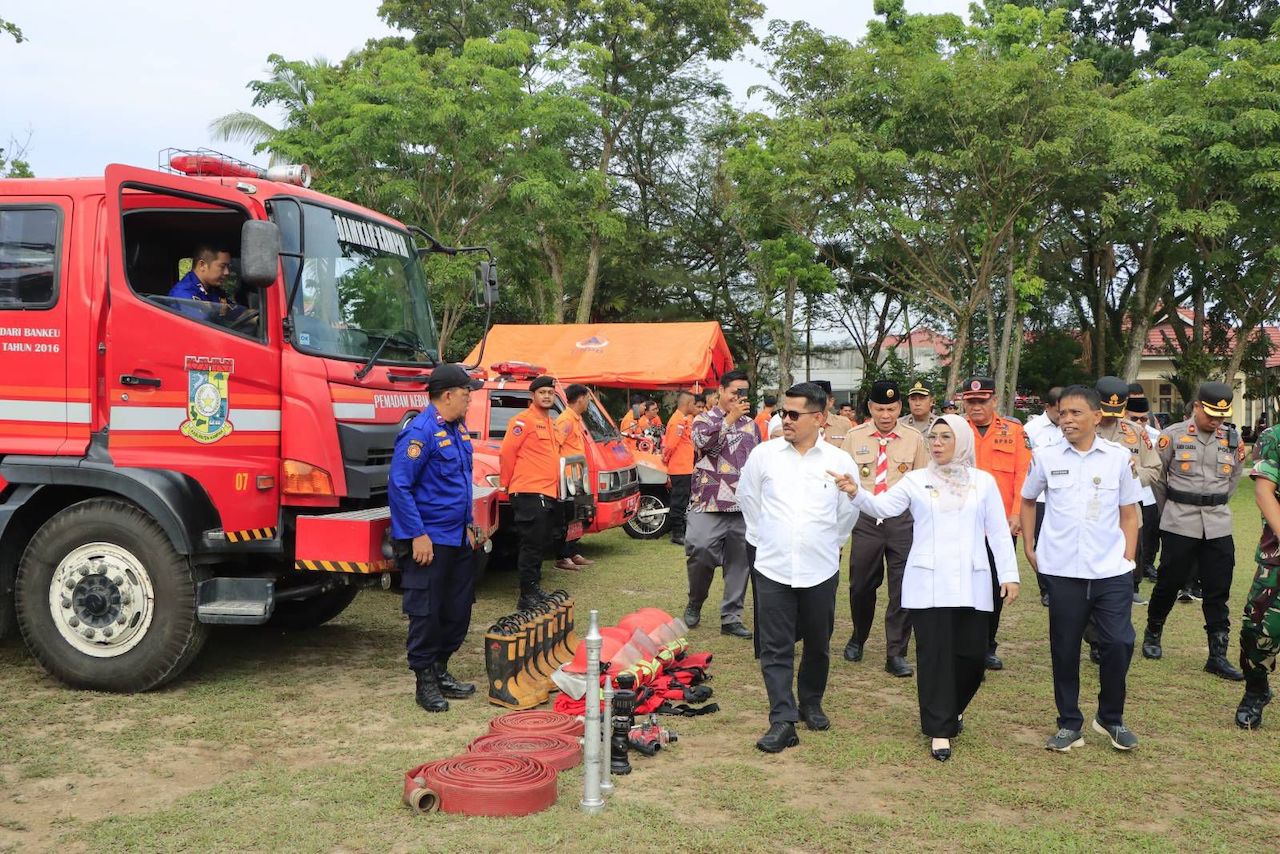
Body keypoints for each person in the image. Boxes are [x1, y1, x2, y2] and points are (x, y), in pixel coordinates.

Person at [834, 414, 1019, 761]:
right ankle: (939, 729)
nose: (936, 443)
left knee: (972, 658)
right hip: (929, 582)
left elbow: (996, 531)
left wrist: (1009, 574)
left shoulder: (984, 483)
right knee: (934, 657)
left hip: (973, 581)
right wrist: (856, 492)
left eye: (945, 437)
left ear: (962, 442)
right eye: (933, 437)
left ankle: (954, 710)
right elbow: (883, 506)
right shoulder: (916, 481)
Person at [1019, 385, 1142, 752]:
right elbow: (1027, 500)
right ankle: (1069, 723)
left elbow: (1129, 513)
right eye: (1063, 413)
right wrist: (1029, 546)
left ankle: (1110, 717)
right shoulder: (1044, 455)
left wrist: (1128, 559)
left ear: (1096, 416)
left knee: (1120, 642)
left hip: (1109, 570)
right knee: (1065, 647)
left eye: (1075, 413)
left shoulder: (1118, 458)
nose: (1066, 419)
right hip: (1062, 570)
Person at [739, 382, 858, 753]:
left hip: (820, 567)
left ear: (819, 418)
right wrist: (766, 541)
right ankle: (782, 718)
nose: (784, 420)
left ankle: (811, 701)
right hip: (772, 566)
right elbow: (749, 500)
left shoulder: (838, 462)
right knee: (775, 646)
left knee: (819, 642)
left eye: (793, 414)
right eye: (781, 412)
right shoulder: (764, 455)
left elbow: (848, 512)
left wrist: (829, 544)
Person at [388, 363, 485, 713]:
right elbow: (400, 486)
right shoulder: (421, 433)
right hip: (429, 541)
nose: (469, 399)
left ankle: (441, 669)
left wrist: (470, 523)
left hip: (457, 537)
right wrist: (417, 534)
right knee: (426, 612)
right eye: (465, 393)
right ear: (447, 395)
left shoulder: (458, 431)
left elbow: (460, 483)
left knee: (456, 610)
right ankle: (424, 682)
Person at [1142, 382, 1247, 681]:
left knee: (1218, 588)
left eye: (1222, 416)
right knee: (1169, 581)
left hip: (1217, 523)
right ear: (1198, 406)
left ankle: (1217, 655)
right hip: (1179, 520)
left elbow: (1234, 479)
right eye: (1211, 414)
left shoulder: (1231, 439)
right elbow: (1158, 479)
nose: (1217, 421)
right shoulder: (1172, 436)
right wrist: (1171, 512)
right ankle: (1153, 632)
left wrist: (1213, 502)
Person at [840, 379, 929, 677]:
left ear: (900, 407)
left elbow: (923, 485)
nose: (886, 415)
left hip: (902, 522)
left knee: (903, 588)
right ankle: (858, 636)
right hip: (866, 520)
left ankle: (897, 653)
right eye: (880, 409)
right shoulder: (853, 437)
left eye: (891, 408)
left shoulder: (915, 439)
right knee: (861, 586)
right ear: (870, 408)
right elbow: (842, 483)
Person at [684, 369, 760, 639]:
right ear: (720, 391)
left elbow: (758, 462)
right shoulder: (703, 420)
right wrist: (730, 419)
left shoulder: (752, 425)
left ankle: (731, 616)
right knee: (700, 549)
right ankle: (696, 600)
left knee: (740, 563)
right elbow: (704, 445)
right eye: (734, 393)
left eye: (744, 393)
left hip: (742, 505)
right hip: (709, 501)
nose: (739, 398)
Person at [963, 376, 1031, 670]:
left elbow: (1023, 475)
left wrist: (1017, 513)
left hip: (999, 524)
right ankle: (963, 640)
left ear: (994, 401)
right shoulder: (953, 430)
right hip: (961, 522)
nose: (976, 406)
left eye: (982, 401)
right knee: (962, 583)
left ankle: (988, 644)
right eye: (971, 401)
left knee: (994, 585)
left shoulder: (1014, 431)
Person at [1094, 377, 1162, 606]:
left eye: (1117, 410)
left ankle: (1127, 592)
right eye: (1106, 410)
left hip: (1127, 514)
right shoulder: (1083, 428)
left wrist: (1132, 475)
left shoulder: (1136, 432)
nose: (1110, 417)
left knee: (1126, 562)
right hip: (1091, 512)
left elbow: (1154, 469)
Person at [500, 374, 564, 611]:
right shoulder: (522, 421)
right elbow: (507, 453)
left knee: (539, 544)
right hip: (527, 492)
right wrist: (506, 484)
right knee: (531, 545)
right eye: (542, 393)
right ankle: (527, 595)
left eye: (550, 393)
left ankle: (533, 588)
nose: (546, 396)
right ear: (532, 396)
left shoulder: (551, 422)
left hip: (546, 493)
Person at [1237, 425, 1280, 729]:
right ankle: (1256, 690)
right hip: (1277, 556)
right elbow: (1264, 493)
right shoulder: (1274, 437)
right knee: (1257, 630)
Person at [1023, 387, 1063, 606]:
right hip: (1039, 498)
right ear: (1047, 407)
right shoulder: (1031, 430)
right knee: (1042, 542)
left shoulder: (1070, 428)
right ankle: (1046, 588)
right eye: (1059, 411)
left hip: (1062, 495)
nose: (1063, 416)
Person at [552, 384, 595, 570]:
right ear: (580, 398)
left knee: (578, 517)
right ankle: (562, 556)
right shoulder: (565, 420)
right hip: (567, 477)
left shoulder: (575, 420)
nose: (589, 402)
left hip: (578, 476)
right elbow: (555, 449)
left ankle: (573, 551)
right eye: (588, 398)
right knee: (566, 518)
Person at [1125, 385, 1162, 584]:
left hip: (1149, 494)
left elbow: (1158, 467)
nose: (1140, 423)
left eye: (1143, 419)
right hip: (1127, 495)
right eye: (1135, 419)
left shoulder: (1155, 436)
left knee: (1149, 535)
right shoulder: (1121, 434)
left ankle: (1146, 566)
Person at [169, 245, 246, 321]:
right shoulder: (183, 293)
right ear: (202, 265)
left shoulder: (213, 289)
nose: (227, 272)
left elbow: (236, 313)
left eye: (228, 267)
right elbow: (201, 327)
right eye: (222, 266)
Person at [663, 390, 697, 546]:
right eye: (694, 404)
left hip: (684, 467)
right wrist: (666, 459)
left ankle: (680, 531)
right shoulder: (677, 421)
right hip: (679, 467)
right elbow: (670, 445)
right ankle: (677, 533)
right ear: (688, 404)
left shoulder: (682, 419)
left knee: (682, 500)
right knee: (679, 501)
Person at [815, 380, 852, 449]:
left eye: (821, 399)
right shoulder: (800, 424)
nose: (816, 403)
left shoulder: (844, 423)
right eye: (811, 399)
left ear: (831, 401)